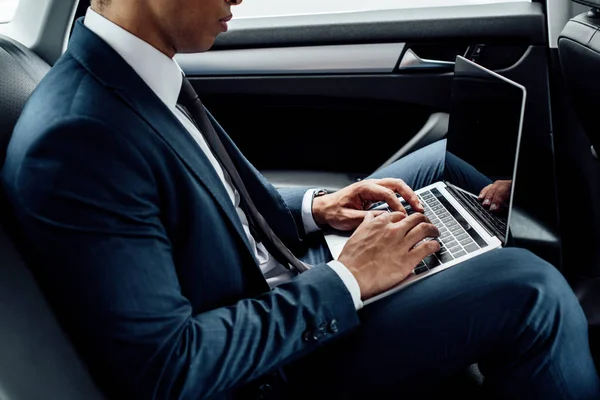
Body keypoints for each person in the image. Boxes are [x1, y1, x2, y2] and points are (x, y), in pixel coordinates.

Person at [1, 0, 598, 399]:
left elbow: (214, 195)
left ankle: (496, 315)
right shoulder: (81, 139)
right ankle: (535, 326)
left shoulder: (133, 73)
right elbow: (170, 369)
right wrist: (349, 279)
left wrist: (321, 207)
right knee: (532, 290)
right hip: (274, 360)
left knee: (440, 166)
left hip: (277, 276)